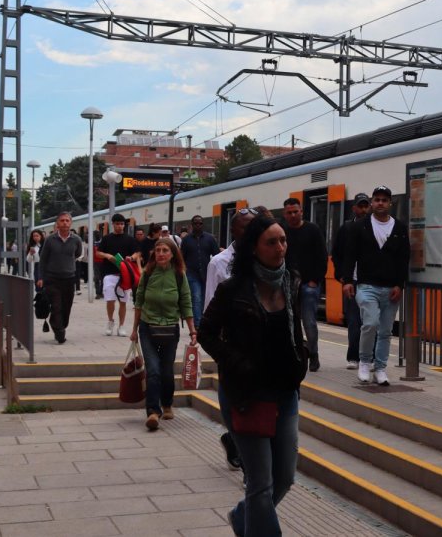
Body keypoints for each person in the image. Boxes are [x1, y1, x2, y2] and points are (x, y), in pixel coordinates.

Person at [200, 215, 308, 536]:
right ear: (254, 248)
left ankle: (242, 517)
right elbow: (206, 332)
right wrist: (236, 362)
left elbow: (294, 328)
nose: (280, 248)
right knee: (260, 483)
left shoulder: (291, 281)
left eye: (283, 240)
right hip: (247, 393)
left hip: (285, 392)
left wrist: (302, 356)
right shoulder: (234, 289)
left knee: (284, 477)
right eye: (271, 242)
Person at [204, 207, 263, 473]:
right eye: (245, 227)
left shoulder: (265, 258)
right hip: (231, 344)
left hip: (260, 344)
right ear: (233, 231)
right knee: (232, 396)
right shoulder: (219, 262)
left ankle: (238, 442)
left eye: (254, 226)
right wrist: (220, 349)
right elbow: (210, 305)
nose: (251, 231)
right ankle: (236, 439)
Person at [339, 185, 409, 386]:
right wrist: (347, 281)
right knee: (370, 324)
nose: (380, 203)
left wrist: (400, 285)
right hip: (366, 286)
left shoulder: (400, 228)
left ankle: (380, 368)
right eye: (377, 199)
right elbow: (350, 255)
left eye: (384, 200)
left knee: (386, 331)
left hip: (391, 288)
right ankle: (364, 362)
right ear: (372, 203)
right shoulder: (359, 227)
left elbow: (403, 258)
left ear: (390, 203)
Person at [130, 237, 196, 431]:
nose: (160, 254)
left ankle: (167, 403)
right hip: (147, 327)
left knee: (166, 372)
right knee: (153, 371)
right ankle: (153, 412)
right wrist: (134, 329)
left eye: (165, 250)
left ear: (173, 254)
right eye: (158, 250)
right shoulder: (148, 273)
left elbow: (186, 302)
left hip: (170, 329)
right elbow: (139, 301)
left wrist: (192, 330)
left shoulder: (179, 275)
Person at [282, 198, 328, 373]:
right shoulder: (283, 232)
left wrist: (315, 280)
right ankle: (295, 353)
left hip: (309, 284)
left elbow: (322, 256)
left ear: (301, 211)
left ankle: (313, 353)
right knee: (289, 321)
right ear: (285, 214)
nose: (293, 215)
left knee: (309, 322)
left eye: (296, 211)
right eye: (289, 212)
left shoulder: (313, 230)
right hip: (288, 284)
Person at [332, 193, 370, 369]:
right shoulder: (346, 228)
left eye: (366, 206)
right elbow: (337, 253)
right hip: (352, 281)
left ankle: (368, 357)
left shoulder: (374, 227)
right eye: (360, 206)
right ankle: (353, 357)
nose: (363, 210)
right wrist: (341, 275)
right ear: (354, 208)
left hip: (370, 280)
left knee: (369, 321)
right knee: (354, 320)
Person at [37, 212, 84, 344]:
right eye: (62, 220)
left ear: (71, 223)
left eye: (67, 221)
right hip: (52, 279)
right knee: (56, 305)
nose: (65, 223)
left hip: (69, 278)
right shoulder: (50, 240)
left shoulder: (76, 240)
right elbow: (43, 260)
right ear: (57, 223)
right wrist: (41, 277)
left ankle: (60, 325)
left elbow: (78, 254)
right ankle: (59, 332)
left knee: (66, 306)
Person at [98, 214, 141, 337]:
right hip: (109, 273)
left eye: (122, 224)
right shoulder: (106, 239)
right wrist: (107, 255)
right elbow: (98, 253)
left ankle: (121, 326)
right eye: (117, 224)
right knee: (110, 299)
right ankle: (110, 321)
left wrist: (131, 257)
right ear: (113, 224)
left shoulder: (130, 239)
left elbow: (137, 253)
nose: (120, 226)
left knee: (123, 301)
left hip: (125, 274)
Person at [180, 214, 219, 329]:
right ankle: (198, 325)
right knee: (196, 297)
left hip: (206, 274)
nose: (198, 225)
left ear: (203, 224)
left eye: (200, 223)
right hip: (192, 273)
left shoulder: (210, 239)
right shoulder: (186, 240)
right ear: (192, 225)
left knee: (204, 298)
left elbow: (217, 255)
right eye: (196, 223)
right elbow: (182, 257)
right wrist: (182, 271)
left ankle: (202, 319)